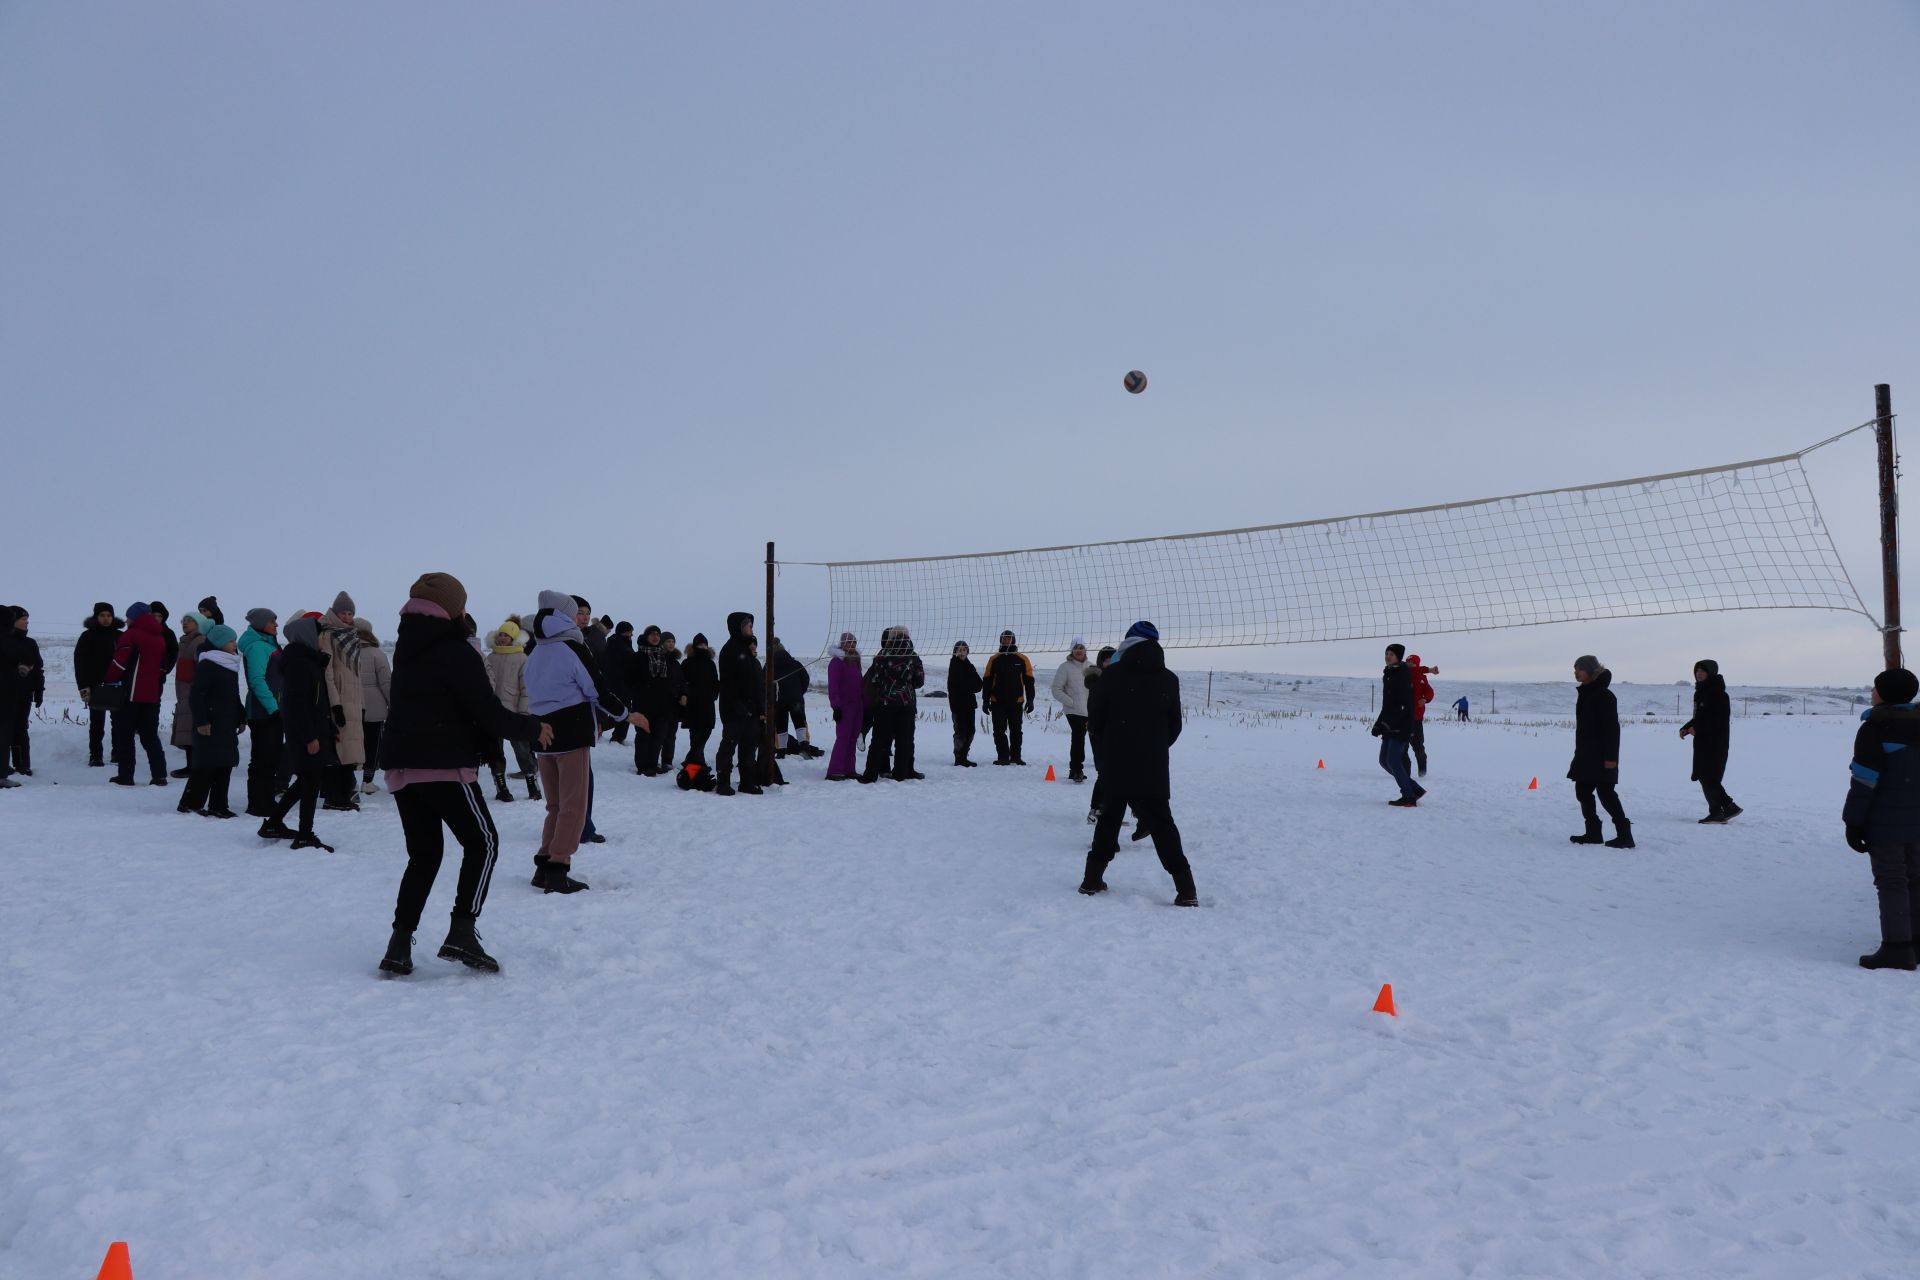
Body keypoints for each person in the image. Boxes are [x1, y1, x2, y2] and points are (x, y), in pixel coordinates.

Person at [377, 572, 554, 976]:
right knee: (484, 843)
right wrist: (530, 727)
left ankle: (399, 943)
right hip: (445, 765)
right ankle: (462, 931)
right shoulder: (456, 650)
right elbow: (485, 711)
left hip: (404, 767)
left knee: (424, 855)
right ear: (455, 608)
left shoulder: (406, 648)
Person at [526, 594, 648, 892]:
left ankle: (544, 865)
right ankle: (558, 868)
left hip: (542, 736)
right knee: (573, 807)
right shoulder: (572, 647)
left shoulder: (535, 651)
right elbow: (597, 688)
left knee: (555, 806)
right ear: (565, 617)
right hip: (570, 734)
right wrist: (626, 714)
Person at [1080, 622, 1197, 906]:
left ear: (1127, 644)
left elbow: (1094, 721)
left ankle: (1091, 880)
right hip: (1152, 763)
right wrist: (1153, 746)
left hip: (1116, 760)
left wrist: (1113, 743)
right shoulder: (1169, 679)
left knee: (1108, 820)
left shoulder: (1111, 676)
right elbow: (1175, 727)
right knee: (1162, 824)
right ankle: (1186, 890)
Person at [1843, 667, 1920, 970]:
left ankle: (1897, 948)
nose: (1872, 693)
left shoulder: (1876, 727)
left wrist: (1853, 822)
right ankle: (1915, 942)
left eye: (1875, 688)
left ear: (1886, 693)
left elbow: (1864, 780)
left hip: (1885, 821)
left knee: (1891, 881)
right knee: (1915, 878)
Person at [258, 615, 336, 850]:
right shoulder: (300, 663)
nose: (325, 639)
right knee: (310, 781)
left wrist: (329, 729)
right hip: (305, 732)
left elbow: (317, 701)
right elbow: (297, 704)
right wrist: (310, 736)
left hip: (313, 729)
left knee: (306, 780)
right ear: (310, 636)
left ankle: (273, 823)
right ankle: (304, 834)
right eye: (321, 634)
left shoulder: (308, 660)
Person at [179, 624, 244, 818]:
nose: (234, 644)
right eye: (231, 641)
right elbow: (196, 696)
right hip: (210, 723)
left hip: (226, 722)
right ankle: (190, 804)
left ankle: (219, 805)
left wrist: (241, 717)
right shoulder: (208, 664)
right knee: (206, 766)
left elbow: (234, 695)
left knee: (225, 764)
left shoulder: (229, 664)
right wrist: (201, 721)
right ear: (220, 643)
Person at [103, 602, 170, 787]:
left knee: (124, 735)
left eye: (128, 617)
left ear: (135, 617)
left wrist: (108, 680)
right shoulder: (160, 637)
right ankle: (159, 775)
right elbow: (163, 667)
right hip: (152, 696)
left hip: (129, 695)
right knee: (150, 736)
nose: (126, 620)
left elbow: (119, 664)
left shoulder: (131, 635)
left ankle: (126, 775)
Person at [1568, 654, 1632, 849]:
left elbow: (1612, 729)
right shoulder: (1586, 693)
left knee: (1606, 794)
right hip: (1586, 754)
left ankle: (1625, 835)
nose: (1576, 672)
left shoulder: (1604, 695)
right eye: (1575, 669)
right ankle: (1593, 833)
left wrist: (1611, 758)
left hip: (1602, 756)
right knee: (1582, 790)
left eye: (1579, 668)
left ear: (1590, 671)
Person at [318, 592, 368, 811]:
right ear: (335, 613)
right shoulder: (327, 635)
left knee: (350, 751)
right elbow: (327, 672)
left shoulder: (352, 636)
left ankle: (344, 794)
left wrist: (362, 704)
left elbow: (357, 674)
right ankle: (335, 797)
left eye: (350, 613)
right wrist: (335, 704)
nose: (347, 617)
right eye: (343, 613)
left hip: (354, 700)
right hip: (339, 699)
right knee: (340, 750)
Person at [484, 618, 541, 801]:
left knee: (522, 751)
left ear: (514, 638)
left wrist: (524, 712)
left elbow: (527, 687)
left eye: (506, 635)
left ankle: (533, 786)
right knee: (496, 752)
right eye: (500, 634)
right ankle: (501, 788)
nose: (502, 638)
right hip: (493, 712)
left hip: (514, 713)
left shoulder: (522, 658)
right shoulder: (490, 657)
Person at [861, 625, 925, 782]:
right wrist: (906, 687)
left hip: (885, 704)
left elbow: (874, 679)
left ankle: (870, 775)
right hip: (906, 704)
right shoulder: (913, 655)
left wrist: (887, 688)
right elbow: (919, 681)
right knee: (904, 741)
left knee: (879, 740)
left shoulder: (882, 655)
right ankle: (901, 774)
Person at [1679, 659, 1740, 824]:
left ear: (1710, 672)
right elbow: (1699, 718)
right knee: (1704, 776)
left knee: (1709, 777)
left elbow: (1718, 721)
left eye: (1702, 670)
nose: (1699, 673)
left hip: (1716, 743)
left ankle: (1722, 809)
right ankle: (1724, 809)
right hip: (1702, 743)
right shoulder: (1700, 693)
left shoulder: (1719, 694)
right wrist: (1687, 727)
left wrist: (1697, 729)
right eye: (1697, 670)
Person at [714, 611, 767, 795]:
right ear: (738, 626)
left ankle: (747, 782)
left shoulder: (748, 652)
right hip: (734, 710)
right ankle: (723, 782)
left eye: (752, 624)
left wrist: (760, 709)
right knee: (728, 746)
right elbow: (728, 683)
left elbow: (756, 684)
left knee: (749, 748)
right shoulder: (730, 650)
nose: (751, 627)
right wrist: (738, 705)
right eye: (747, 624)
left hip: (751, 710)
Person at [238, 608, 284, 816]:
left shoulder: (268, 644)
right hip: (263, 712)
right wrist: (274, 708)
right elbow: (257, 681)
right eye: (272, 622)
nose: (276, 625)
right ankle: (258, 803)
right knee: (262, 759)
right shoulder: (257, 647)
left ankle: (265, 800)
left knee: (271, 757)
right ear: (261, 624)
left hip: (272, 710)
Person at [1371, 643, 1424, 807]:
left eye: (1391, 654)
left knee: (1393, 760)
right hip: (1390, 724)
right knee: (1384, 761)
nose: (1387, 656)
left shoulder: (1402, 673)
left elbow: (1403, 704)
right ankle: (1414, 788)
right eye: (1386, 653)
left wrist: (1388, 724)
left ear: (1398, 657)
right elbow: (1387, 704)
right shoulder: (1388, 673)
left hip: (1402, 724)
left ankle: (1408, 796)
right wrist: (1379, 723)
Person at [73, 602, 123, 767]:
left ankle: (117, 753)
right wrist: (83, 686)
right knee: (97, 723)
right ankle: (96, 755)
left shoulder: (120, 636)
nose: (106, 619)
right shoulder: (87, 636)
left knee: (118, 723)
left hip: (117, 685)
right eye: (102, 615)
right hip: (95, 685)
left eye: (109, 615)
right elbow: (80, 662)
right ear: (96, 617)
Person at [167, 612, 211, 778]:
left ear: (198, 624)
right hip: (185, 694)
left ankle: (195, 767)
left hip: (193, 693)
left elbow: (203, 668)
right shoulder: (186, 642)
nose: (185, 623)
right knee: (188, 731)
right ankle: (191, 766)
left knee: (193, 731)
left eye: (190, 621)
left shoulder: (198, 642)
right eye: (183, 620)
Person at [2, 606, 43, 782]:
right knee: (6, 729)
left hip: (24, 694)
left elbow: (37, 668)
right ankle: (4, 766)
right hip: (6, 693)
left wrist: (39, 690)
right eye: (23, 618)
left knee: (20, 728)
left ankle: (22, 764)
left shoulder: (30, 643)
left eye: (27, 618)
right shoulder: (6, 640)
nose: (27, 621)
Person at [983, 630, 1035, 765]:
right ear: (1001, 640)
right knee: (999, 730)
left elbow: (1029, 681)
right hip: (997, 701)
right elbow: (987, 681)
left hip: (1016, 701)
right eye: (1004, 638)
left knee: (1016, 730)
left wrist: (1030, 700)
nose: (1006, 640)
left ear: (1013, 640)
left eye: (1009, 638)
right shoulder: (994, 659)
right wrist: (985, 700)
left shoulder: (1022, 659)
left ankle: (1016, 756)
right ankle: (1003, 757)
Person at [630, 625, 676, 775]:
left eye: (658, 634)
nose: (655, 637)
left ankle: (653, 763)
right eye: (652, 634)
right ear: (646, 636)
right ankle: (643, 766)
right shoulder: (639, 656)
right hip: (643, 703)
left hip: (662, 704)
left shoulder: (664, 656)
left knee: (659, 735)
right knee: (644, 735)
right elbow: (631, 679)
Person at [356, 617, 392, 796]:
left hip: (352, 704)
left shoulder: (345, 651)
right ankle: (367, 781)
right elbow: (386, 682)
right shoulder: (377, 653)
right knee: (373, 744)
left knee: (353, 742)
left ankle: (348, 780)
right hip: (375, 705)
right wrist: (392, 702)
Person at [1050, 639, 1092, 782]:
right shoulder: (1065, 667)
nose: (1079, 650)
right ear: (1072, 650)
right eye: (1076, 648)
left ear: (1085, 650)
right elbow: (1056, 689)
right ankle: (1076, 770)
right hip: (1073, 710)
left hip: (1089, 710)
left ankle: (1081, 768)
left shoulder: (1092, 666)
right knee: (1078, 737)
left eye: (1081, 647)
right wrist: (1070, 702)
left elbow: (1099, 689)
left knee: (1087, 737)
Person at [771, 637, 820, 759]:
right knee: (800, 723)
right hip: (796, 699)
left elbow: (764, 683)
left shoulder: (770, 666)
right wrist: (799, 692)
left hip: (779, 700)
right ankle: (804, 747)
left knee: (780, 725)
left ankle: (781, 751)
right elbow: (805, 678)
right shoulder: (795, 663)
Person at [1085, 645, 1118, 824]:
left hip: (1112, 734)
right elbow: (1096, 711)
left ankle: (1108, 809)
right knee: (1104, 772)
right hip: (1099, 733)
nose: (1110, 663)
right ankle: (1096, 809)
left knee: (1113, 774)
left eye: (1113, 660)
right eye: (1106, 660)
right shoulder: (1097, 682)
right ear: (1100, 662)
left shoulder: (1119, 679)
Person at [825, 632, 864, 780]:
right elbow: (833, 686)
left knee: (853, 737)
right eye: (849, 643)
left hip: (857, 706)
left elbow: (859, 685)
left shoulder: (855, 661)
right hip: (844, 706)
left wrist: (865, 704)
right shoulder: (836, 662)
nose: (852, 645)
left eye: (854, 642)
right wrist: (836, 707)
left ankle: (849, 769)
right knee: (843, 737)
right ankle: (834, 770)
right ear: (842, 644)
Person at [679, 633, 719, 766]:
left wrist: (713, 695)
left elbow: (715, 682)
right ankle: (696, 763)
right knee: (695, 734)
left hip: (707, 704)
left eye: (704, 645)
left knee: (705, 731)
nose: (702, 647)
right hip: (692, 704)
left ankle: (692, 760)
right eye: (700, 644)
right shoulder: (687, 663)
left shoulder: (711, 664)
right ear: (694, 646)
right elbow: (682, 682)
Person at [947, 640, 982, 767]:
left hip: (970, 705)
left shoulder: (970, 666)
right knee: (960, 731)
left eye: (964, 650)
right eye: (959, 650)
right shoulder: (954, 666)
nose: (962, 652)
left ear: (967, 651)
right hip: (958, 705)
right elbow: (957, 686)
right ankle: (959, 757)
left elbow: (979, 685)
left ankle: (964, 755)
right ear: (955, 652)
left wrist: (968, 685)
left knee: (970, 731)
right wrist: (969, 685)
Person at [654, 631, 685, 771]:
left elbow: (682, 682)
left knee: (671, 735)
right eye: (668, 641)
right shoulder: (658, 659)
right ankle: (653, 761)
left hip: (674, 705)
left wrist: (684, 694)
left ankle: (667, 760)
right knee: (660, 734)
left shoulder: (676, 663)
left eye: (672, 641)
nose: (671, 644)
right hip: (661, 704)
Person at [605, 621, 636, 746]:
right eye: (629, 632)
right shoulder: (620, 646)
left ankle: (615, 734)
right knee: (623, 711)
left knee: (618, 710)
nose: (631, 635)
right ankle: (617, 736)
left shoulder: (615, 643)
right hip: (621, 684)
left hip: (617, 684)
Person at [1407, 654, 1437, 776]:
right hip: (1402, 719)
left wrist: (1424, 699)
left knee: (1418, 747)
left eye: (1412, 662)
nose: (1409, 664)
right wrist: (1429, 669)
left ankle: (1422, 772)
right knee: (1401, 748)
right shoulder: (1402, 675)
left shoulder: (1422, 678)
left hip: (1416, 719)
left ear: (1417, 664)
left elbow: (1430, 693)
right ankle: (1403, 772)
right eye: (1407, 662)